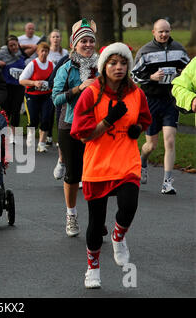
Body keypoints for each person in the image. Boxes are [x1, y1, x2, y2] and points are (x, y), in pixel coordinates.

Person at [70, 42, 152, 288]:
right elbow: (84, 135)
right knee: (96, 221)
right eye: (113, 63)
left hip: (126, 160)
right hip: (98, 164)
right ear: (103, 65)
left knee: (129, 204)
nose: (118, 67)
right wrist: (108, 120)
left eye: (123, 63)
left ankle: (119, 236)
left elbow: (145, 118)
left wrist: (138, 128)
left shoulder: (136, 92)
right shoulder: (91, 93)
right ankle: (92, 269)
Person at [131, 19, 190, 194]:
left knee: (170, 140)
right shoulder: (145, 52)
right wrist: (152, 77)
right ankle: (142, 162)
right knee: (151, 145)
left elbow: (189, 71)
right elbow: (134, 77)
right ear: (154, 33)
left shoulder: (179, 50)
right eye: (160, 32)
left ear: (170, 31)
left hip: (171, 101)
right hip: (151, 101)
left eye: (167, 31)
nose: (164, 35)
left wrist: (181, 75)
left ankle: (167, 182)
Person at [52, 19, 98, 237]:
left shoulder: (102, 66)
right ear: (74, 45)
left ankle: (96, 219)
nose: (88, 45)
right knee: (73, 175)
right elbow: (56, 99)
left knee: (95, 174)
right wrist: (79, 88)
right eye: (83, 42)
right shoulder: (66, 68)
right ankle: (71, 215)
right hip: (70, 124)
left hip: (97, 126)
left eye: (91, 41)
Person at [0, 35, 28, 143]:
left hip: (19, 86)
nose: (13, 47)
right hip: (6, 86)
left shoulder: (21, 54)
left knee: (16, 110)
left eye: (15, 45)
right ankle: (4, 133)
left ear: (18, 44)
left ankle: (13, 135)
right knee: (5, 110)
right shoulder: (3, 54)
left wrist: (22, 46)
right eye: (11, 45)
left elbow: (35, 47)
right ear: (7, 47)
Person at [19, 42, 54, 152]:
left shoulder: (51, 65)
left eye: (46, 51)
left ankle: (42, 144)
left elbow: (55, 80)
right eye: (41, 51)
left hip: (47, 96)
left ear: (48, 52)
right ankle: (30, 137)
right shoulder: (33, 64)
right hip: (32, 96)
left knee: (46, 119)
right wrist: (34, 83)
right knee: (33, 119)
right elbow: (21, 80)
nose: (44, 53)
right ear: (38, 52)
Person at [46, 29, 69, 146]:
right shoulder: (46, 52)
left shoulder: (65, 53)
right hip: (49, 83)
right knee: (49, 112)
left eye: (58, 37)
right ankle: (49, 135)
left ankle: (59, 138)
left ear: (61, 39)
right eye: (53, 37)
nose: (56, 39)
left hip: (62, 84)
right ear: (50, 39)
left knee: (60, 112)